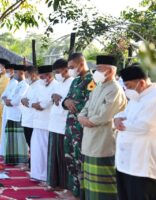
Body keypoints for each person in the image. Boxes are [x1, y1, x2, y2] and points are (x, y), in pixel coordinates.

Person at [78, 55, 127, 200]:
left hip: (103, 140)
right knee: (90, 181)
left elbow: (105, 115)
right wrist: (81, 117)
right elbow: (86, 107)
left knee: (104, 182)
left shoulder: (115, 89)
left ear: (110, 71)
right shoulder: (98, 87)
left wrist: (88, 121)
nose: (96, 72)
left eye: (100, 69)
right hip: (89, 138)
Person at [114, 65, 156, 200]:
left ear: (142, 82)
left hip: (141, 162)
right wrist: (117, 118)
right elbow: (126, 113)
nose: (126, 90)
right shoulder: (138, 95)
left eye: (128, 86)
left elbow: (145, 125)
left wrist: (121, 123)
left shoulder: (153, 97)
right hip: (125, 161)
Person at [62, 53, 95, 197]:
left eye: (71, 67)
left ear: (81, 64)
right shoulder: (75, 81)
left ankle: (82, 191)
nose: (70, 70)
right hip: (70, 126)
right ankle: (74, 188)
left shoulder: (92, 80)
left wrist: (73, 104)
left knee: (79, 158)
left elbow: (91, 103)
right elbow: (66, 99)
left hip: (81, 127)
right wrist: (66, 102)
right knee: (69, 156)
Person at [47, 59, 74, 190]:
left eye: (58, 72)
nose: (56, 74)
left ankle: (64, 185)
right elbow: (54, 97)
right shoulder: (59, 83)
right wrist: (54, 96)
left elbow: (71, 102)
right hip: (54, 123)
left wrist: (60, 98)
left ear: (66, 69)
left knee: (63, 156)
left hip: (64, 124)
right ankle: (54, 182)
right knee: (54, 155)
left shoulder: (73, 82)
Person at [30, 65, 58, 182]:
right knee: (36, 150)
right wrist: (34, 104)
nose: (40, 79)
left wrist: (39, 105)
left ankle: (46, 175)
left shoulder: (56, 85)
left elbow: (47, 103)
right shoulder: (39, 86)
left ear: (49, 75)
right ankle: (37, 174)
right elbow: (31, 99)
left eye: (42, 77)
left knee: (45, 150)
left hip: (48, 123)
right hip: (37, 123)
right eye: (39, 76)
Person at [4, 64, 29, 165]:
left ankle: (21, 160)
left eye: (16, 73)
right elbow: (8, 96)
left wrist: (10, 102)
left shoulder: (25, 85)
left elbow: (19, 98)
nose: (14, 75)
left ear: (21, 73)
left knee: (19, 139)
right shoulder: (17, 84)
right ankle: (12, 160)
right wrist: (7, 101)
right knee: (11, 138)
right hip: (11, 114)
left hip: (19, 115)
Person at [21, 66, 40, 169]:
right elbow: (23, 98)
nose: (26, 78)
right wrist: (23, 100)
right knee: (30, 143)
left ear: (33, 75)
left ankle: (32, 164)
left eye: (27, 76)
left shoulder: (39, 86)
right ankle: (30, 163)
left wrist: (26, 102)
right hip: (27, 120)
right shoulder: (30, 86)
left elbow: (36, 102)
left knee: (34, 144)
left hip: (34, 120)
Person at [0, 63, 18, 156]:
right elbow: (3, 95)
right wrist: (5, 99)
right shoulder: (10, 81)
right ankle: (4, 152)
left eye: (8, 71)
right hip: (7, 109)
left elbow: (12, 97)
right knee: (4, 130)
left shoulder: (16, 82)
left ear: (13, 71)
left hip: (13, 110)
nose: (6, 73)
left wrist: (7, 99)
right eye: (6, 71)